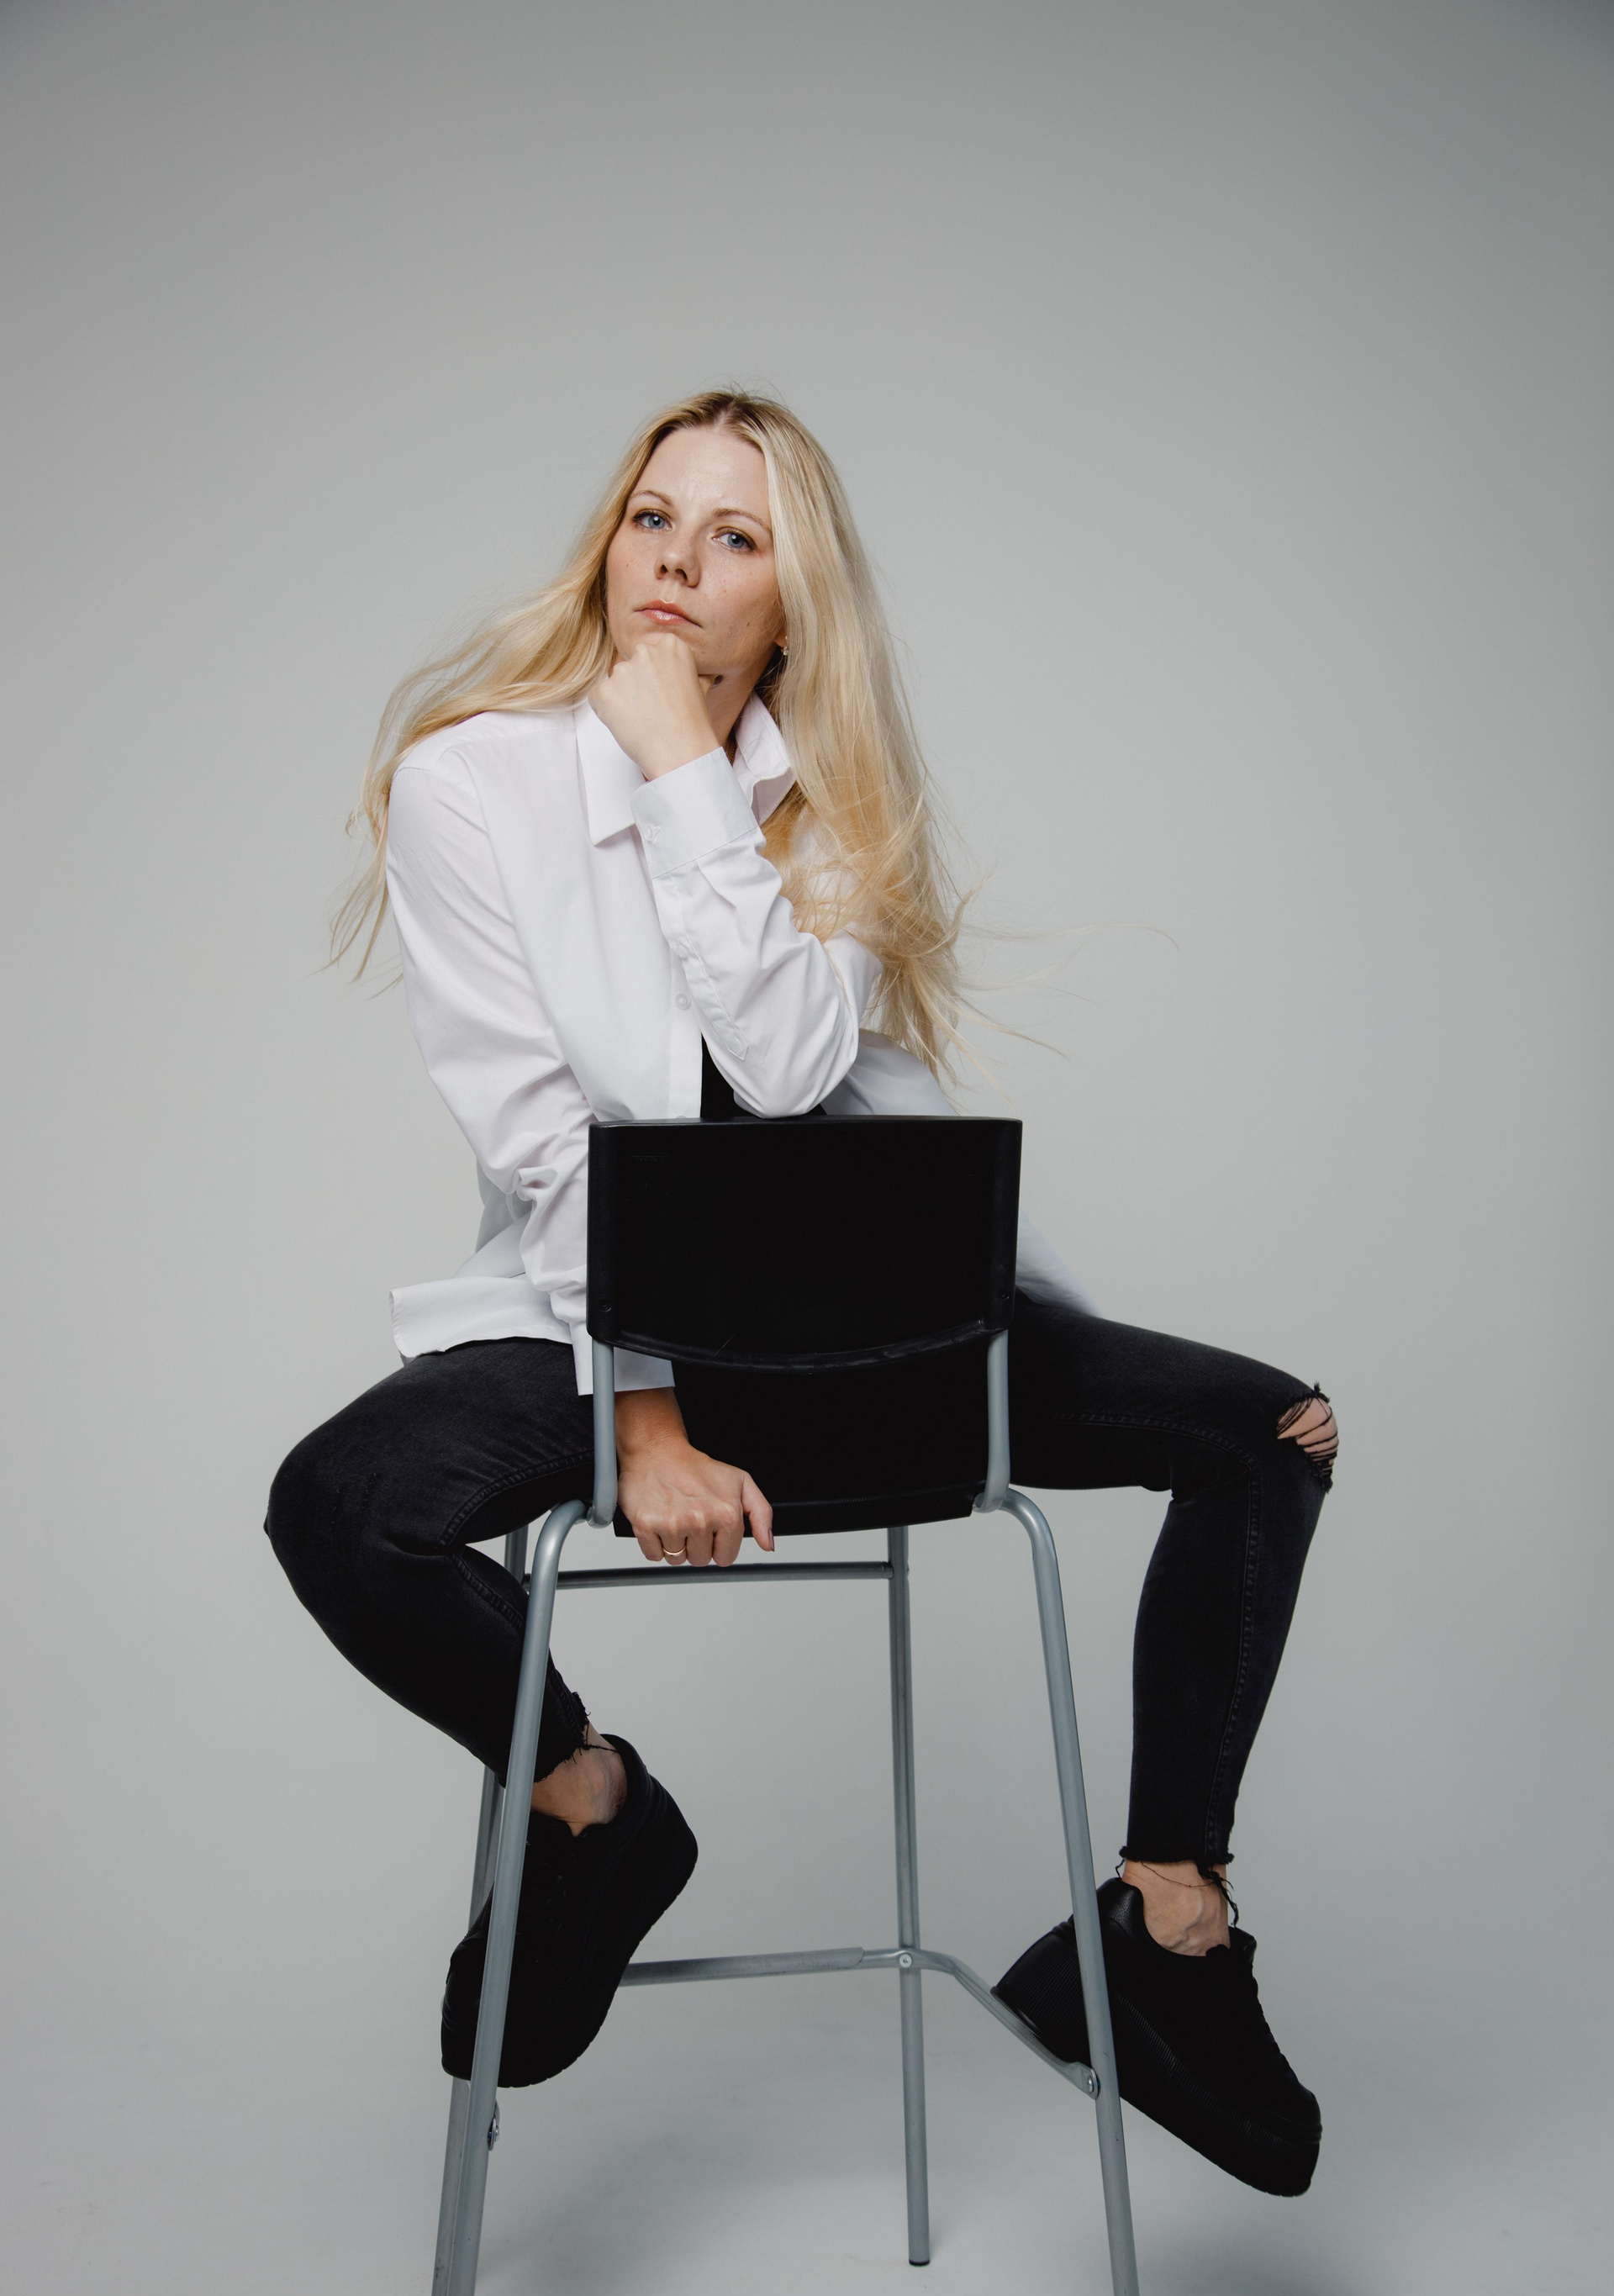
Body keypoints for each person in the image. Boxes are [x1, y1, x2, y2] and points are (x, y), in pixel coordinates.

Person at [266, 389, 1338, 2195]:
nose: (678, 563)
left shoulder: (820, 802)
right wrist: (647, 1418)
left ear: (791, 601)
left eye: (736, 537)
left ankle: (1163, 1926)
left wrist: (690, 777)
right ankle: (589, 1804)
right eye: (652, 519)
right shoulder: (473, 782)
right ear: (608, 545)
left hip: (870, 1337)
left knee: (1270, 1435)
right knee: (341, 1508)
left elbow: (779, 1074)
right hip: (592, 1330)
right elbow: (545, 1137)